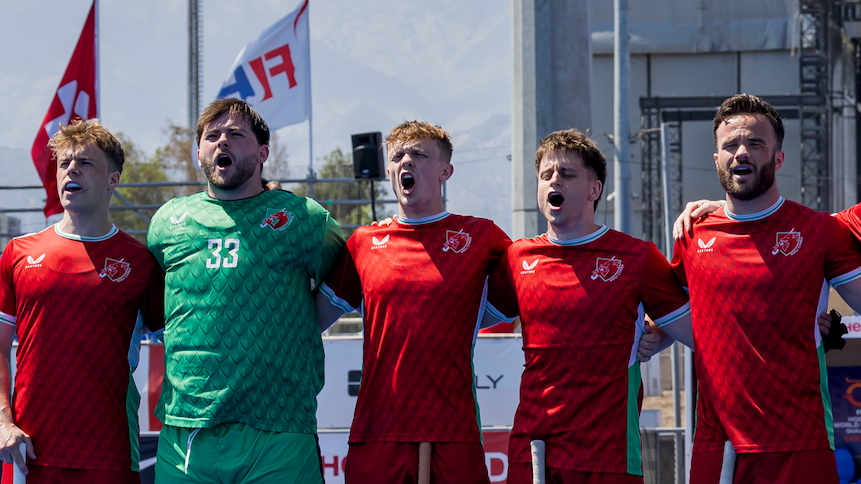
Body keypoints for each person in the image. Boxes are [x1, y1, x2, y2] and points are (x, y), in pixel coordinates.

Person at [146, 98, 345, 483]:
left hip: (280, 426)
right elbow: (148, 303)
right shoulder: (167, 222)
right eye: (212, 136)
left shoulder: (305, 219)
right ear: (199, 153)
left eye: (236, 134)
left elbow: (351, 282)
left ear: (263, 153)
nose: (222, 141)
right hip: (187, 428)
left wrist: (302, 325)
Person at [669, 94, 861, 484]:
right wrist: (647, 337)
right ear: (717, 159)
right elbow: (665, 316)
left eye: (755, 143)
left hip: (801, 441)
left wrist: (827, 327)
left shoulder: (820, 230)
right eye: (731, 145)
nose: (741, 152)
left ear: (779, 158)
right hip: (718, 445)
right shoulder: (692, 234)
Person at [488, 129, 693, 484]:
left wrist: (660, 335)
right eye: (546, 175)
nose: (554, 180)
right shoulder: (517, 257)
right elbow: (460, 320)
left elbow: (701, 331)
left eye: (567, 174)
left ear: (594, 189)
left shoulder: (636, 257)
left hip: (608, 457)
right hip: (534, 452)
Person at [316, 121, 511, 484]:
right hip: (378, 430)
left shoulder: (481, 237)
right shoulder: (363, 242)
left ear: (445, 171)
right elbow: (309, 321)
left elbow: (536, 293)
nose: (406, 161)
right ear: (389, 171)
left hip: (454, 430)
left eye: (419, 154)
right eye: (397, 156)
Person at [0, 119, 164, 484]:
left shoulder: (142, 263)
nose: (70, 170)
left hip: (112, 456)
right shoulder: (18, 253)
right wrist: (2, 422)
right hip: (29, 455)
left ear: (113, 179)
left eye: (85, 162)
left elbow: (181, 347)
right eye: (64, 163)